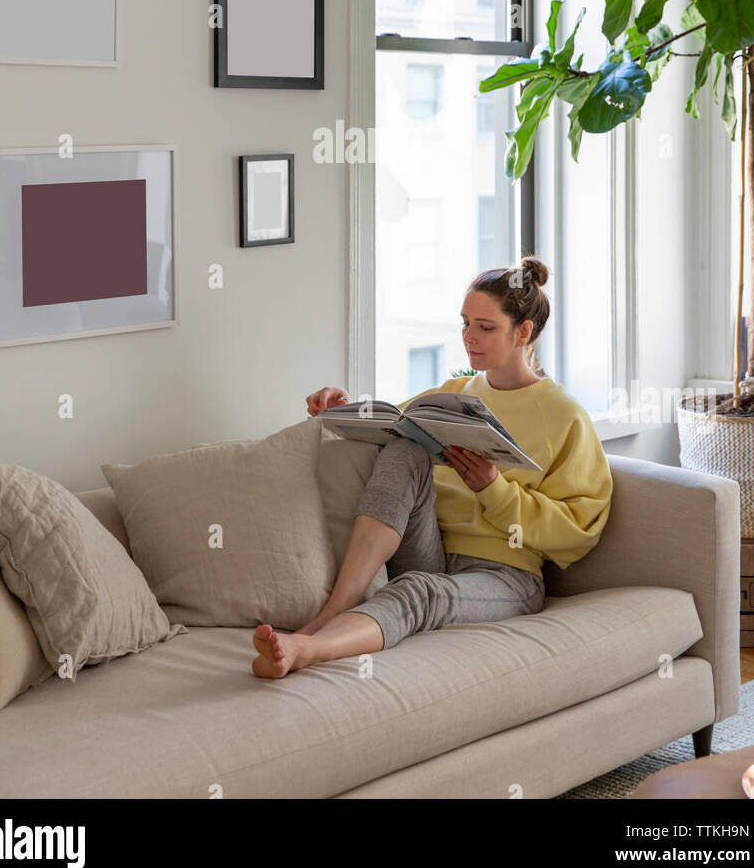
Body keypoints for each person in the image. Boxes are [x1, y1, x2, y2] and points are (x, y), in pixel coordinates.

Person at [251, 255, 613, 679]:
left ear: (524, 332)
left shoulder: (564, 414)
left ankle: (307, 648)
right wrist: (340, 407)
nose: (469, 337)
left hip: (505, 574)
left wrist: (493, 489)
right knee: (405, 449)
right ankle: (338, 606)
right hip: (431, 550)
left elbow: (579, 531)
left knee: (419, 591)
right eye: (464, 323)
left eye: (485, 327)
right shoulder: (454, 394)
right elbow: (387, 428)